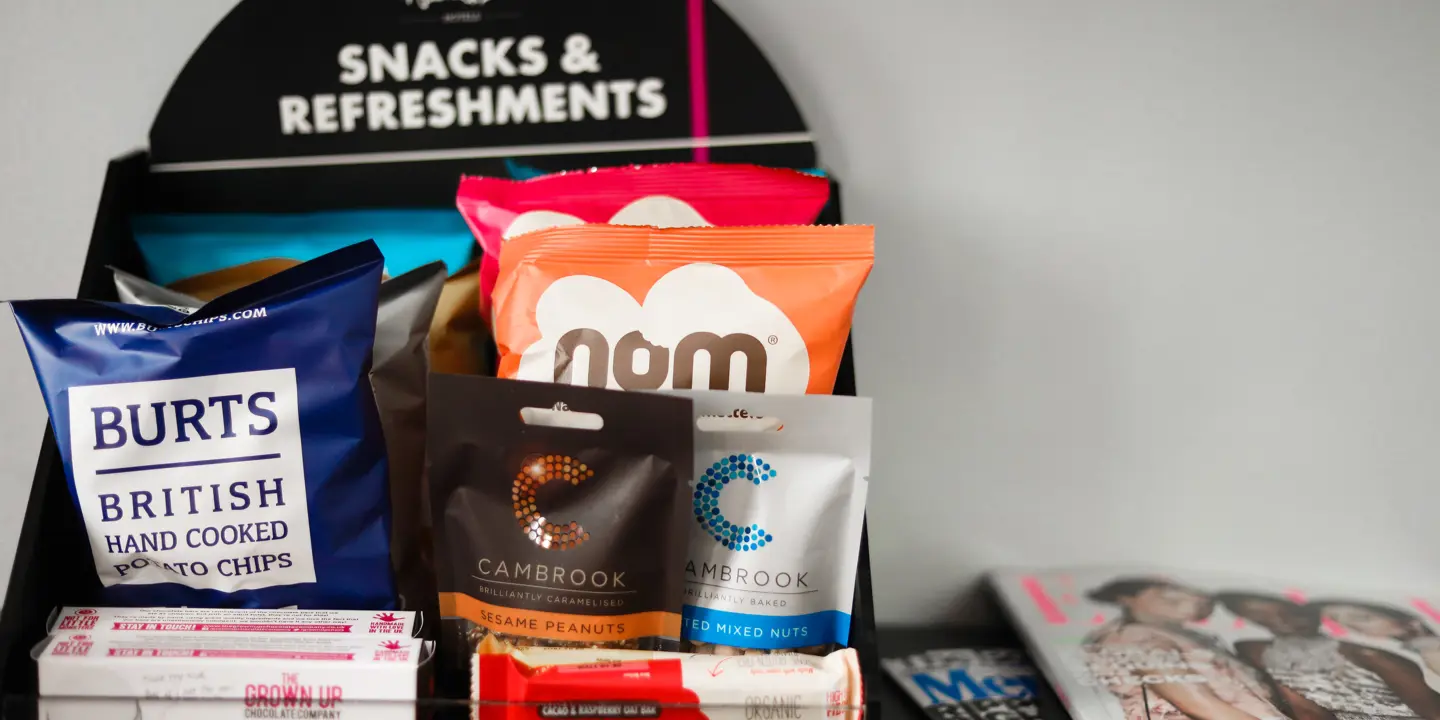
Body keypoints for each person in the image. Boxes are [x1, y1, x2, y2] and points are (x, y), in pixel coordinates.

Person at [1083, 577, 1290, 720]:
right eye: (1166, 594)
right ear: (1126, 598)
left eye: (1192, 596)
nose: (1185, 600)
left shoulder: (1197, 638)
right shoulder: (1134, 637)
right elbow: (1196, 701)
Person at [1215, 591, 1440, 720]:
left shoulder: (1365, 651)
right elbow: (1300, 706)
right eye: (1257, 614)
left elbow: (1423, 701)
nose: (1280, 619)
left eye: (1287, 611)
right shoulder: (1253, 648)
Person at [1309, 599, 1440, 680]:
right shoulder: (1417, 648)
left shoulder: (1432, 650)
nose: (1349, 625)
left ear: (1406, 620)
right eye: (1336, 619)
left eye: (1362, 618)